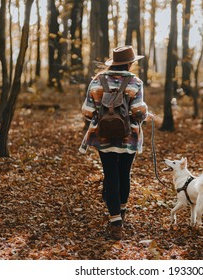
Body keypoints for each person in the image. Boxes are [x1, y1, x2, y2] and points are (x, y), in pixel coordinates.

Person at [80, 46, 152, 240]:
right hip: (129, 137)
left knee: (110, 174)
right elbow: (138, 112)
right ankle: (122, 211)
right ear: (129, 63)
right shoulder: (135, 82)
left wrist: (102, 115)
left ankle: (115, 223)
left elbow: (87, 112)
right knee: (124, 174)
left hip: (102, 136)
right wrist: (145, 113)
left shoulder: (97, 80)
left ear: (114, 62)